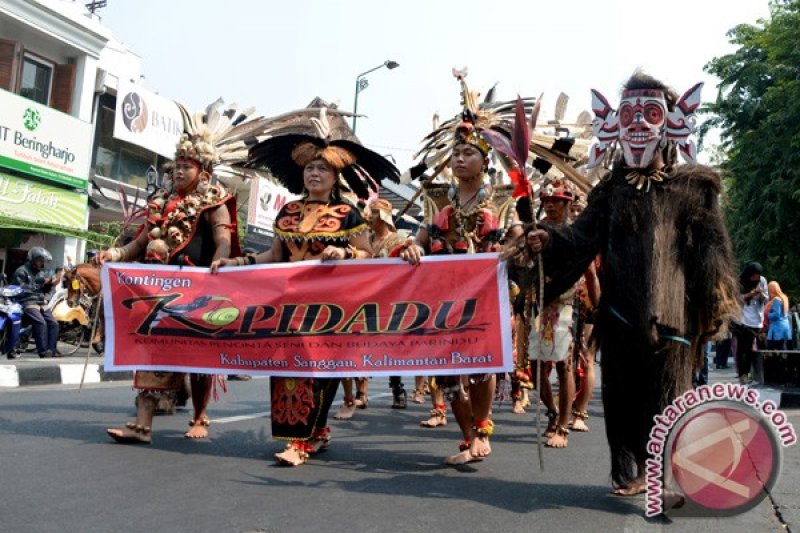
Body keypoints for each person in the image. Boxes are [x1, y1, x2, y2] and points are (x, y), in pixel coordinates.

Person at [522, 72, 739, 495]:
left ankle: (663, 471)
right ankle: (639, 469)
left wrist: (711, 307)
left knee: (667, 399)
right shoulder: (612, 190)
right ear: (615, 125)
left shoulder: (692, 189)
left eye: (650, 114)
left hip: (673, 318)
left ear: (672, 123)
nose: (637, 124)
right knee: (624, 403)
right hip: (620, 316)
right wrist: (545, 239)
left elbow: (711, 254)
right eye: (628, 115)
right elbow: (580, 238)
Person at [211, 112, 399, 466]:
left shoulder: (347, 214)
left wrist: (343, 251)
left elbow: (368, 253)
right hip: (289, 305)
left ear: (334, 177)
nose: (314, 173)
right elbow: (274, 255)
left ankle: (302, 441)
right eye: (310, 168)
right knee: (289, 368)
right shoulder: (288, 211)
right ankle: (312, 433)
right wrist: (237, 263)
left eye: (322, 169)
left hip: (331, 308)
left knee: (318, 370)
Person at [95, 100, 251, 444]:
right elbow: (138, 243)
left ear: (204, 173)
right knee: (151, 350)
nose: (177, 172)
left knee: (197, 358)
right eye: (175, 167)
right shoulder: (162, 201)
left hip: (198, 289)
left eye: (186, 167)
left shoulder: (215, 200)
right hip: (157, 291)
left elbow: (223, 239)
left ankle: (198, 416)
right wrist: (115, 252)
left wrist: (222, 261)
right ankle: (142, 424)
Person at [398, 70, 525, 464]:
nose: (458, 158)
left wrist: (511, 246)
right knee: (450, 376)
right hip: (445, 302)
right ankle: (469, 435)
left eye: (467, 152)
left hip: (488, 299)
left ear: (485, 160)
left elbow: (518, 235)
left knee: (484, 368)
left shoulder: (503, 198)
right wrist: (409, 248)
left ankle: (483, 429)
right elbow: (416, 240)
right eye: (454, 153)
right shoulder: (436, 201)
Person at [527, 180, 578, 448]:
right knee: (534, 367)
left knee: (563, 364)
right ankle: (553, 411)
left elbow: (589, 272)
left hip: (566, 305)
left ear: (567, 204)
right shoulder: (536, 230)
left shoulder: (576, 232)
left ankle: (563, 427)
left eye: (556, 200)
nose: (550, 203)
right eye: (546, 199)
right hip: (537, 304)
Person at [11, 247, 59, 359]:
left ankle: (51, 350)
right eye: (39, 260)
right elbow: (21, 289)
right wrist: (40, 284)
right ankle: (42, 352)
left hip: (40, 302)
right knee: (41, 323)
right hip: (27, 302)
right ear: (32, 259)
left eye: (42, 261)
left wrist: (51, 284)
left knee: (54, 323)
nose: (41, 263)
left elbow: (44, 290)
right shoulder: (21, 271)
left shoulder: (40, 273)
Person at [732, 262, 768, 384]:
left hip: (755, 320)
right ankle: (742, 375)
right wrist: (750, 294)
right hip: (740, 319)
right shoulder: (739, 282)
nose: (756, 279)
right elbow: (735, 299)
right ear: (749, 274)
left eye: (758, 276)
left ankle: (746, 374)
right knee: (741, 348)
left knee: (749, 349)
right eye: (754, 276)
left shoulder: (762, 281)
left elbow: (766, 299)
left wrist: (761, 294)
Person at [766, 281, 791, 351]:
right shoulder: (784, 298)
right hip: (785, 327)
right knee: (783, 350)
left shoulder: (776, 300)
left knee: (774, 351)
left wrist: (768, 314)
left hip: (777, 328)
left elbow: (776, 315)